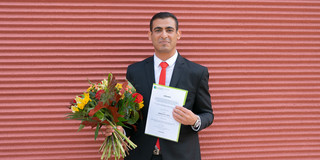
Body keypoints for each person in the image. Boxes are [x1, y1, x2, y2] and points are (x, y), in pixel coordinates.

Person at [106, 12, 214, 160]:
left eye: (169, 30)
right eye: (158, 30)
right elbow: (130, 117)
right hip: (141, 154)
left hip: (181, 155)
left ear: (178, 34)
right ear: (150, 35)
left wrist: (195, 120)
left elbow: (207, 114)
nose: (164, 35)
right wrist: (121, 132)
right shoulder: (135, 71)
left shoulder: (196, 72)